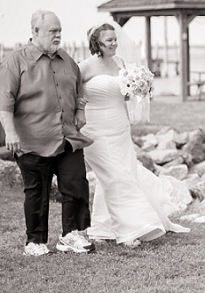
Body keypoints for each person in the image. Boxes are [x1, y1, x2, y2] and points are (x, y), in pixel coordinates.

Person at [78, 23, 189, 247]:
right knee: (114, 175)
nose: (114, 43)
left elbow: (124, 96)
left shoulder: (120, 63)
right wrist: (79, 110)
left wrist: (138, 88)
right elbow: (70, 91)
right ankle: (128, 230)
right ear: (96, 43)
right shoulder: (85, 67)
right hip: (95, 129)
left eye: (115, 39)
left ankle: (103, 227)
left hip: (120, 126)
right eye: (108, 40)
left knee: (120, 173)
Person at [0, 10, 96, 256]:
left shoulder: (66, 59)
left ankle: (71, 235)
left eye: (60, 31)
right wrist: (10, 132)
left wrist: (81, 110)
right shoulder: (15, 61)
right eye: (53, 31)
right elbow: (4, 101)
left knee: (76, 185)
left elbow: (79, 85)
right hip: (33, 140)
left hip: (67, 137)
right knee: (37, 192)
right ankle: (35, 241)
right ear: (35, 32)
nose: (58, 35)